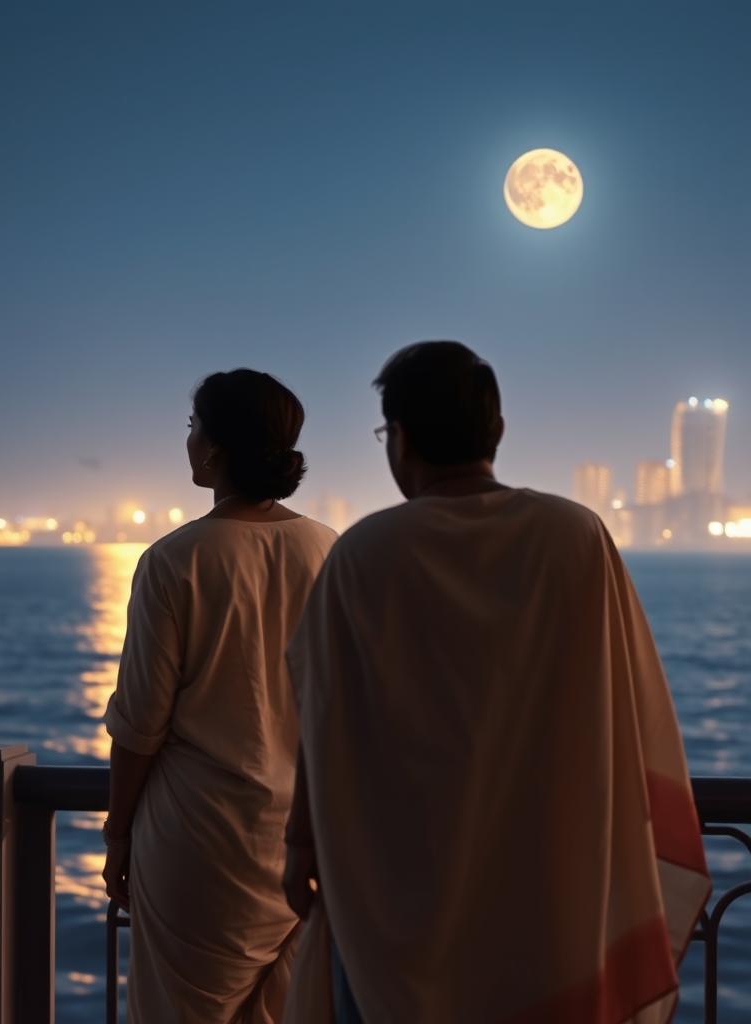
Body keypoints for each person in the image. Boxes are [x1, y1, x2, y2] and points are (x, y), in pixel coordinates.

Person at [282, 341, 709, 1023]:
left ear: (400, 439)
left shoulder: (365, 556)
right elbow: (629, 708)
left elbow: (323, 719)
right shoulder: (576, 538)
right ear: (497, 432)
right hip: (549, 898)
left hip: (393, 901)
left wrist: (299, 844)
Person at [102, 369, 337, 1023]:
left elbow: (140, 725)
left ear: (215, 449)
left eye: (193, 425)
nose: (189, 440)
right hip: (304, 844)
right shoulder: (328, 551)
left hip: (198, 846)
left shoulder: (175, 561)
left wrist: (117, 835)